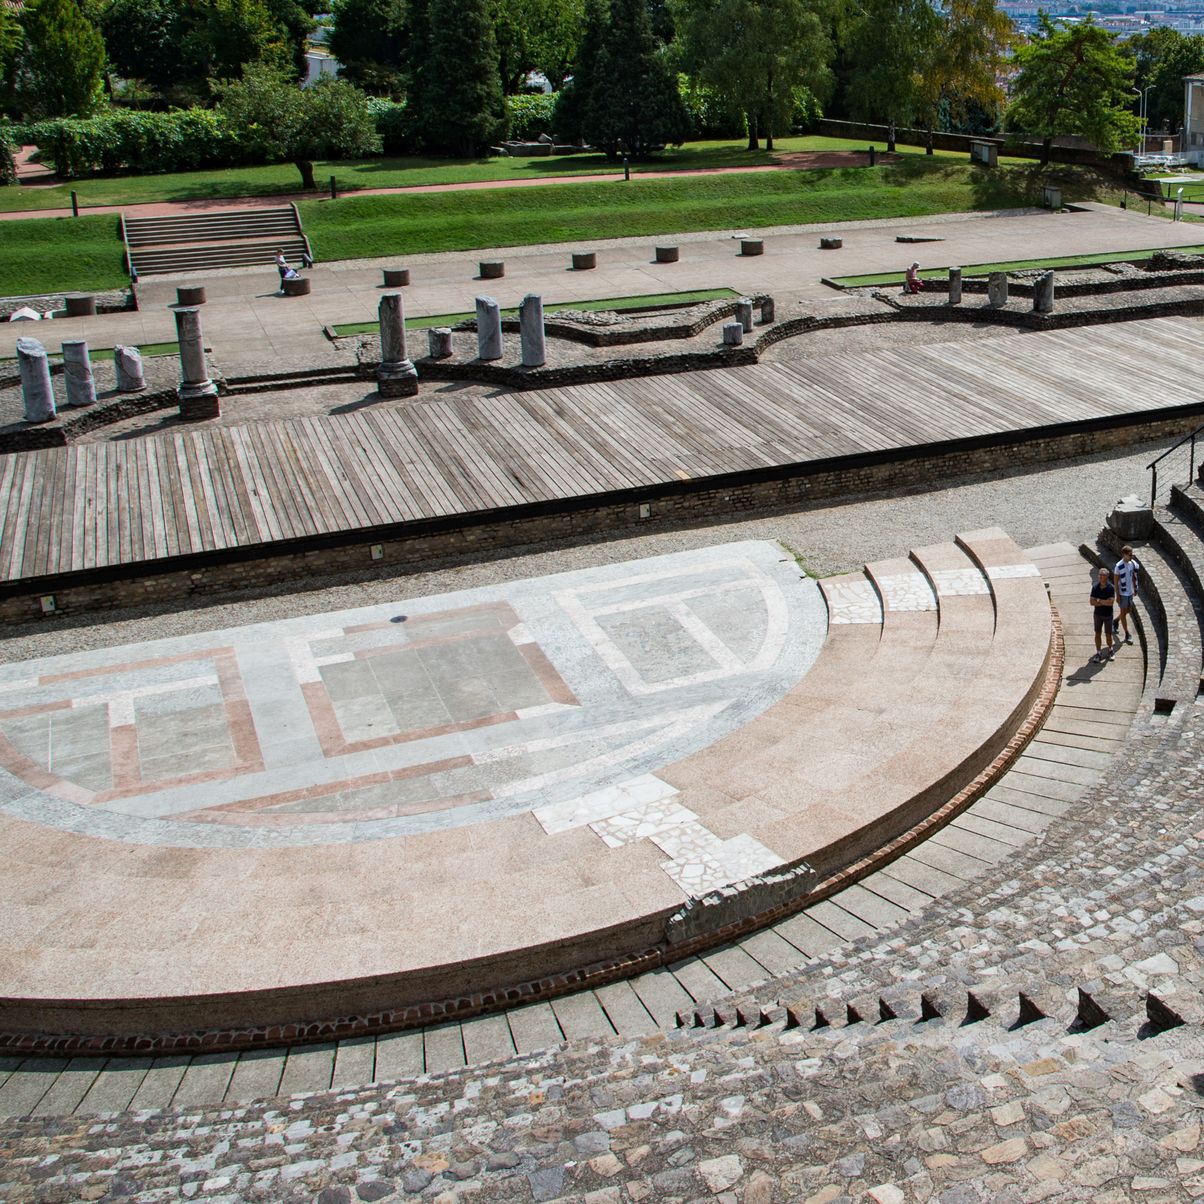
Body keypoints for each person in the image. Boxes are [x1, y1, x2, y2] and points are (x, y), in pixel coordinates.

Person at [1113, 544, 1141, 645]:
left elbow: (1134, 576)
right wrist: (1118, 595)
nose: (1131, 556)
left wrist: (1135, 588)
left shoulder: (1132, 563)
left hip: (1130, 592)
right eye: (1130, 555)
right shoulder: (1118, 567)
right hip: (1123, 593)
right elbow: (1116, 582)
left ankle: (1115, 621)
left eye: (1132, 554)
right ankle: (1127, 633)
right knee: (1124, 612)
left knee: (1128, 611)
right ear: (1124, 555)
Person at [1090, 566, 1116, 662]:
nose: (1100, 577)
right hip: (1097, 614)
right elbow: (1091, 602)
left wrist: (1099, 600)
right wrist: (1104, 601)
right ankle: (1098, 652)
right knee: (1097, 634)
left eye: (1103, 575)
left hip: (1108, 615)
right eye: (1099, 575)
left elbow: (1111, 603)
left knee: (1108, 635)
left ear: (1107, 577)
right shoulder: (1095, 587)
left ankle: (1110, 650)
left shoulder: (1111, 588)